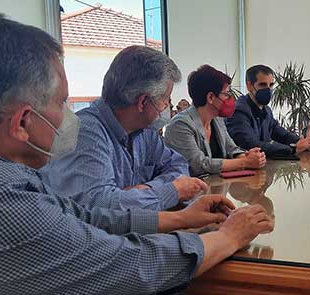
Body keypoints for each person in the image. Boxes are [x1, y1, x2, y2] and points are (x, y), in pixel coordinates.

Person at [0, 13, 274, 295]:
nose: (70, 116)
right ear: (22, 122)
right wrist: (227, 236)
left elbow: (84, 216)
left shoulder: (8, 175)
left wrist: (179, 218)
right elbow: (129, 261)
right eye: (62, 103)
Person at [41, 46, 207, 211]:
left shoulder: (145, 132)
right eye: (166, 99)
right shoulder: (84, 133)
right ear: (143, 102)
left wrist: (147, 189)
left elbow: (178, 165)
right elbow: (100, 207)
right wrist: (169, 192)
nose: (167, 106)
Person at [164, 64, 266, 176]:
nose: (230, 99)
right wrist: (245, 162)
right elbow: (199, 165)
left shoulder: (217, 119)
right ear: (211, 97)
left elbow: (231, 149)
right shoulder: (180, 124)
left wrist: (249, 157)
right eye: (226, 94)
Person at [226, 64, 310, 157]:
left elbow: (282, 135)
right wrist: (293, 149)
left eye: (271, 85)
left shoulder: (266, 110)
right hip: (243, 169)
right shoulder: (238, 111)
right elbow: (251, 145)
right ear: (249, 86)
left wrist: (302, 141)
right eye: (263, 85)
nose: (268, 89)